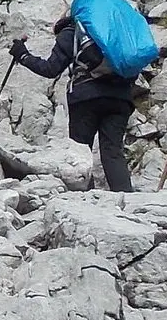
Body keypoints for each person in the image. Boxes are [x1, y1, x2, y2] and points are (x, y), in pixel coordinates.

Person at [9, 15, 136, 192]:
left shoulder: (72, 32)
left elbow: (50, 69)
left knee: (80, 151)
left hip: (86, 98)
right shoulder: (117, 33)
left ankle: (84, 200)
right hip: (121, 97)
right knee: (113, 151)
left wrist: (23, 55)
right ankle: (126, 198)